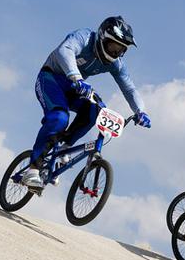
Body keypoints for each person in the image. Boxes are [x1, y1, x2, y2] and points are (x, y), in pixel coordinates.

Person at [22, 16, 150, 189]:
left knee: (95, 111)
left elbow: (129, 89)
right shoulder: (84, 37)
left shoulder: (116, 64)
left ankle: (64, 147)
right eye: (113, 46)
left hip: (74, 86)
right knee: (59, 118)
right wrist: (76, 77)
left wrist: (140, 111)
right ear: (102, 37)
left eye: (120, 50)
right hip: (51, 78)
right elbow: (64, 51)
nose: (115, 53)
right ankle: (33, 170)